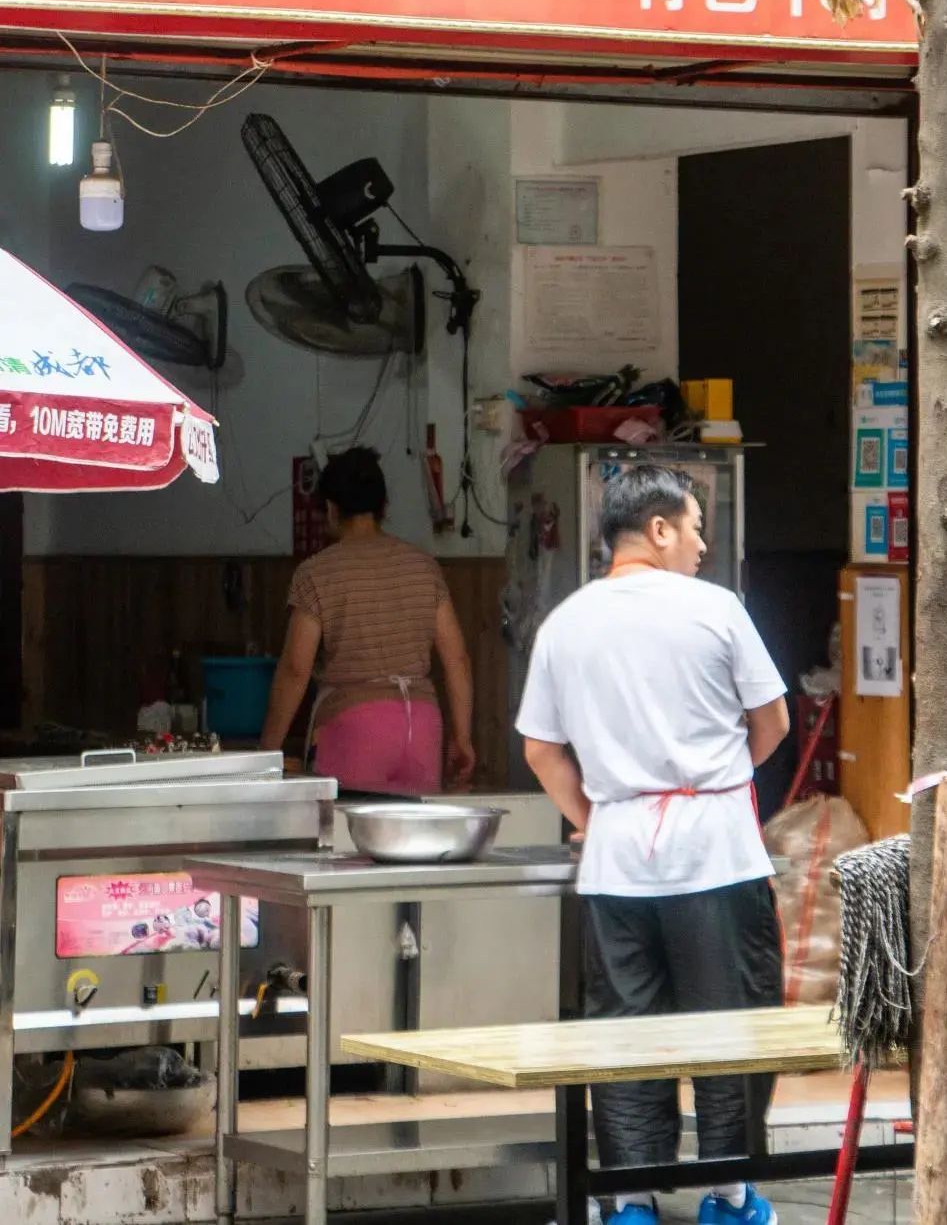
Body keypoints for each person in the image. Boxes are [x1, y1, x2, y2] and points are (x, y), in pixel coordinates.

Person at [516, 464, 789, 1225]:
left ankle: (630, 1204)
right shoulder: (716, 609)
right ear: (660, 529)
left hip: (617, 864)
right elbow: (772, 723)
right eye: (696, 528)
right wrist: (717, 783)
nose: (702, 546)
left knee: (627, 1036)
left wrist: (597, 815)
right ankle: (729, 1198)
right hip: (717, 855)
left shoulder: (565, 622)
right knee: (729, 1025)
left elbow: (541, 750)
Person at [260, 447, 475, 793]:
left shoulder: (317, 573)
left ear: (331, 509)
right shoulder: (424, 567)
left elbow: (296, 669)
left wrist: (268, 750)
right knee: (416, 829)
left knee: (347, 828)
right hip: (421, 726)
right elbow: (457, 659)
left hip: (355, 727)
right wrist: (461, 737)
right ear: (384, 507)